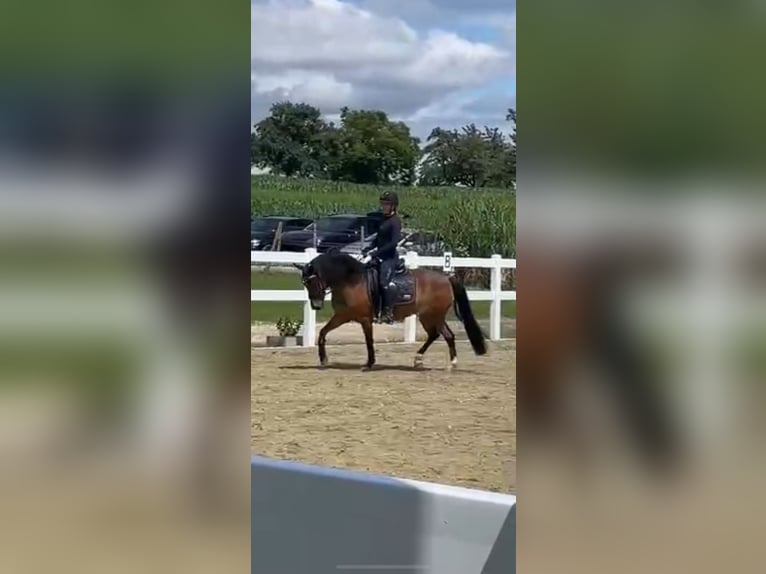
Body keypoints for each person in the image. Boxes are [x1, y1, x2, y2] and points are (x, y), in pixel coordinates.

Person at [363, 191, 402, 323]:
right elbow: (379, 238)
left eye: (387, 204)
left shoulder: (395, 221)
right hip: (379, 255)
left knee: (383, 283)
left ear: (393, 206)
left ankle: (388, 312)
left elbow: (393, 242)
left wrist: (377, 252)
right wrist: (369, 248)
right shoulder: (383, 219)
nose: (383, 206)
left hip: (389, 258)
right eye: (383, 204)